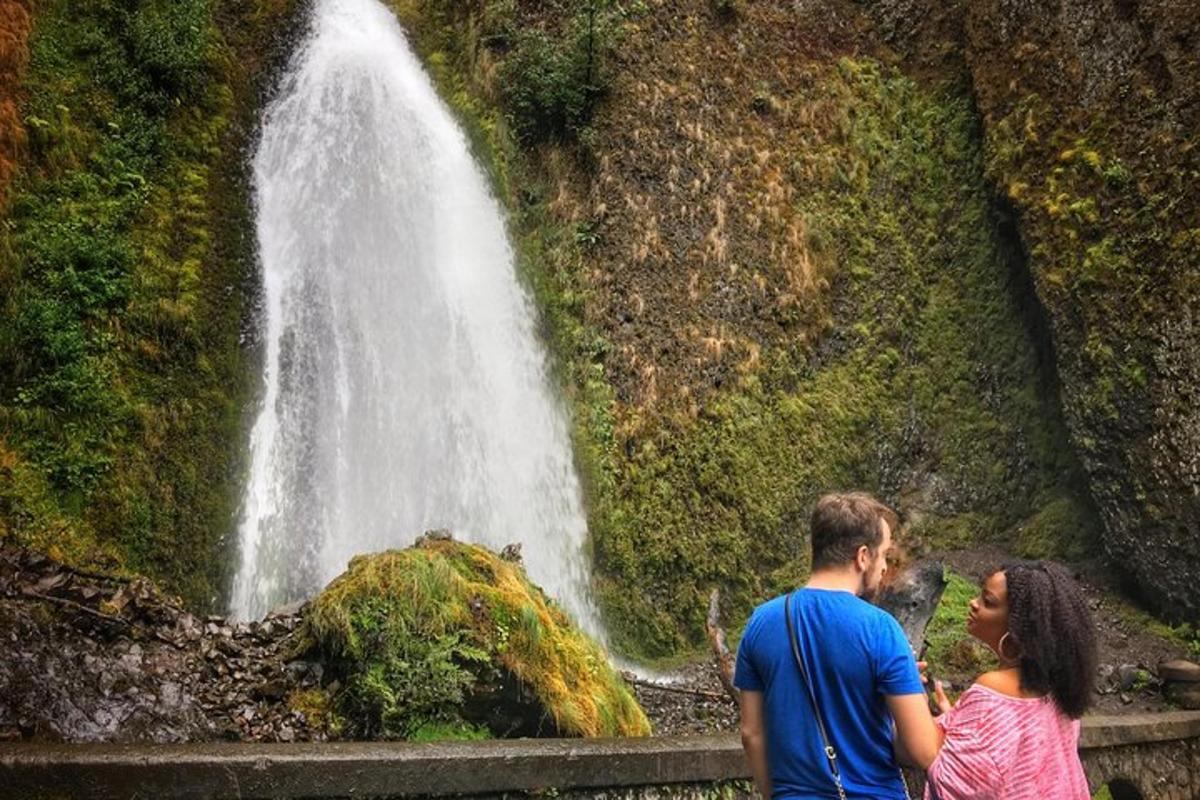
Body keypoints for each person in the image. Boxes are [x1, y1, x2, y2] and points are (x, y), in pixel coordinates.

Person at [736, 492, 941, 799]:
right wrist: (908, 690)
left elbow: (751, 733)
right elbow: (922, 751)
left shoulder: (760, 622)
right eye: (883, 554)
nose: (885, 567)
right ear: (862, 556)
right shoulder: (881, 629)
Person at [923, 560, 1098, 799]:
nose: (973, 604)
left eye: (988, 602)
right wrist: (958, 718)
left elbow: (944, 772)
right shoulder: (1057, 691)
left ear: (1020, 627)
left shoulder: (993, 689)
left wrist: (902, 683)